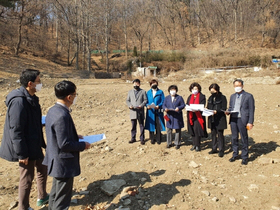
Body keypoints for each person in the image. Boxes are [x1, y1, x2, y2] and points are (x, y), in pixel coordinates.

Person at [0, 69, 48, 210]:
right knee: (26, 177)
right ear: (30, 83)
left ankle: (42, 195)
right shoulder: (19, 102)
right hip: (25, 146)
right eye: (38, 81)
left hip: (34, 142)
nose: (40, 84)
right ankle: (23, 207)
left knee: (42, 167)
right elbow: (16, 130)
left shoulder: (30, 97)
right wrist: (22, 154)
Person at [42, 80, 91, 210]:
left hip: (55, 160)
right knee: (62, 199)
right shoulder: (62, 115)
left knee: (55, 194)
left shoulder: (53, 110)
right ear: (69, 97)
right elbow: (64, 144)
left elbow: (58, 135)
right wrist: (83, 145)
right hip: (63, 163)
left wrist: (75, 137)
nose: (75, 98)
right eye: (75, 95)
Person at [226, 79, 255, 165]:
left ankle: (244, 157)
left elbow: (251, 110)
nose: (237, 87)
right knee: (234, 138)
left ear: (242, 86)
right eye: (235, 86)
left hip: (243, 120)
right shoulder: (232, 96)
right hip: (233, 119)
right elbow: (231, 107)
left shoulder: (249, 96)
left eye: (238, 86)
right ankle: (235, 154)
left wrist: (250, 122)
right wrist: (228, 111)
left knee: (244, 138)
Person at [206, 83, 227, 157]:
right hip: (212, 119)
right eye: (211, 91)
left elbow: (223, 108)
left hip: (220, 119)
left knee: (220, 134)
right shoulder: (210, 98)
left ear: (217, 90)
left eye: (213, 91)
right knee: (213, 134)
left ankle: (221, 149)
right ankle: (214, 148)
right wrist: (207, 110)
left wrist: (216, 111)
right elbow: (208, 106)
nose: (212, 93)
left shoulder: (222, 97)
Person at [186, 82, 207, 152]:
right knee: (192, 130)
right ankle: (194, 144)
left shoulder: (202, 96)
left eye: (196, 88)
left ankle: (198, 145)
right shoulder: (190, 96)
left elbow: (202, 104)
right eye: (193, 88)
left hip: (198, 116)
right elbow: (187, 104)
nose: (194, 90)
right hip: (191, 115)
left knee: (197, 130)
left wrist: (197, 109)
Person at [163, 85, 185, 149]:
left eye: (174, 90)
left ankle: (177, 143)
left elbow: (183, 105)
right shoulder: (167, 98)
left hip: (177, 116)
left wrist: (179, 108)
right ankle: (169, 143)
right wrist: (165, 108)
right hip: (169, 115)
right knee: (169, 130)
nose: (173, 91)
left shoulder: (179, 97)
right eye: (171, 90)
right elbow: (163, 105)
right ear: (169, 91)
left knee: (177, 129)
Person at [126, 79, 147, 145]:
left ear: (139, 84)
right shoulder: (130, 92)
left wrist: (141, 105)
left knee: (141, 125)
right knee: (133, 126)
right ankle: (133, 138)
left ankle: (142, 139)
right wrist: (130, 106)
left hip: (140, 111)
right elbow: (127, 100)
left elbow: (145, 100)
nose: (136, 85)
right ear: (133, 84)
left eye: (137, 84)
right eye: (134, 84)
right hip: (133, 111)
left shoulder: (143, 91)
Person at [145, 79, 165, 144]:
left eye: (155, 83)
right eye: (152, 84)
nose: (154, 85)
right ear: (150, 85)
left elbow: (163, 101)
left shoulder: (160, 92)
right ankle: (152, 139)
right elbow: (146, 101)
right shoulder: (148, 92)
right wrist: (147, 105)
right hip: (150, 111)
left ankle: (159, 139)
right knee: (151, 125)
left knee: (158, 125)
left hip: (158, 111)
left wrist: (159, 106)